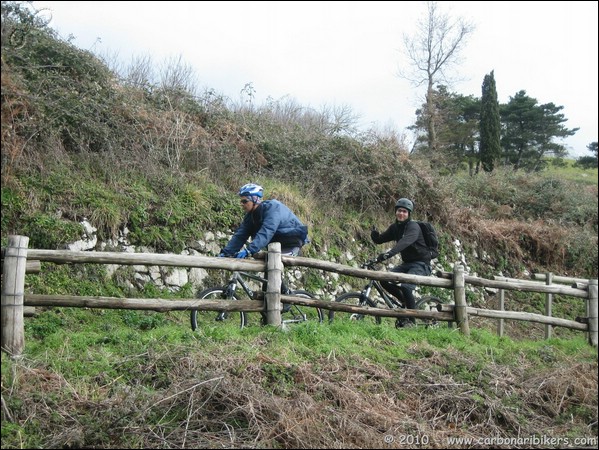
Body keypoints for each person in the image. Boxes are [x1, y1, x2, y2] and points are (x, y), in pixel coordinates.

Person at [370, 198, 432, 327]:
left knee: (406, 286)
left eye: (404, 211)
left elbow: (404, 242)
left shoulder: (413, 227)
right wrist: (375, 236)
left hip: (421, 264)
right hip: (407, 264)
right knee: (384, 279)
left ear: (409, 214)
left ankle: (411, 321)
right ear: (395, 212)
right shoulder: (395, 228)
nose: (401, 214)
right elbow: (381, 239)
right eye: (399, 211)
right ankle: (406, 302)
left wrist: (388, 254)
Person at [219, 183, 309, 258]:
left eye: (244, 201)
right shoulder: (250, 217)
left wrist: (249, 250)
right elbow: (240, 235)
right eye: (241, 202)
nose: (242, 204)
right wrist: (226, 252)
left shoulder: (273, 207)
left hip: (290, 243)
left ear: (255, 200)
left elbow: (267, 230)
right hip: (274, 244)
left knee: (273, 263)